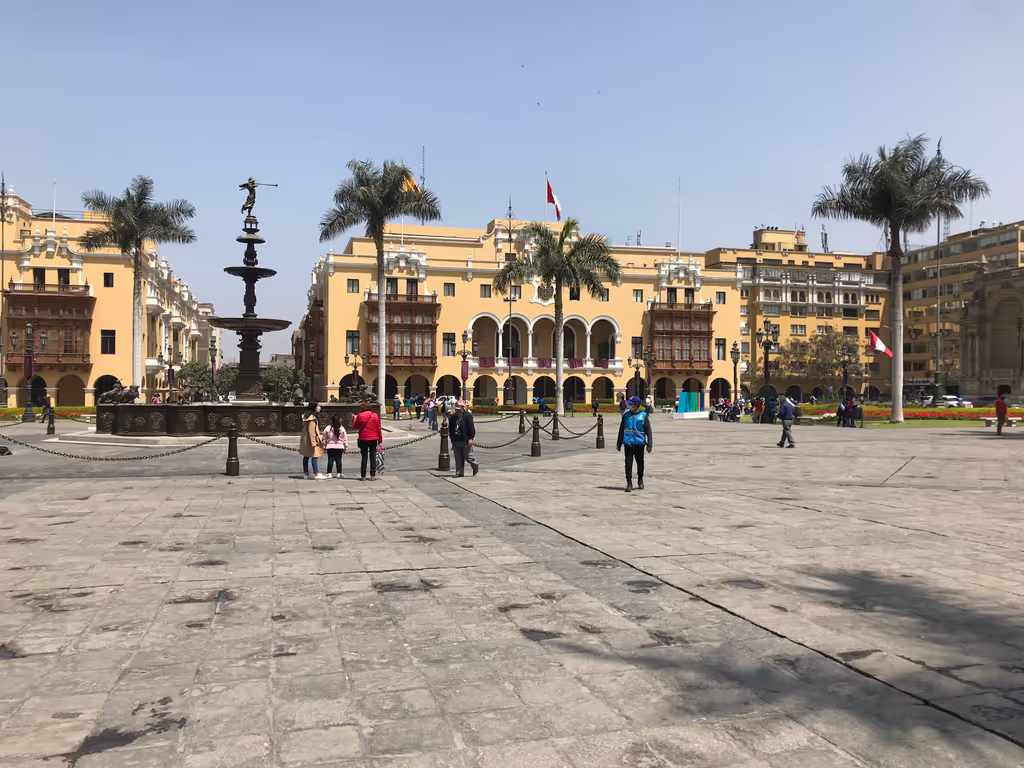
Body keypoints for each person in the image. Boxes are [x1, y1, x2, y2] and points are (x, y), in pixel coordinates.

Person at [616, 395, 652, 492]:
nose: (629, 405)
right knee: (628, 464)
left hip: (639, 444)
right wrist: (619, 443)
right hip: (628, 443)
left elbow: (648, 431)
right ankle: (629, 483)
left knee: (640, 463)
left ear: (636, 405)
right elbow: (621, 429)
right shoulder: (626, 415)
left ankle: (640, 480)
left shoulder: (643, 416)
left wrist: (649, 444)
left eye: (631, 404)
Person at [449, 400, 480, 477]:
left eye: (459, 407)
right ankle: (459, 472)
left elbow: (471, 428)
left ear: (463, 408)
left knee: (468, 456)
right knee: (458, 458)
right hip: (456, 439)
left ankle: (475, 465)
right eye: (456, 407)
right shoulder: (454, 416)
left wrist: (470, 438)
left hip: (465, 439)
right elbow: (451, 428)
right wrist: (452, 439)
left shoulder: (467, 416)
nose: (457, 409)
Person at [352, 402, 383, 481]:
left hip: (363, 438)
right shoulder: (375, 415)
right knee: (373, 457)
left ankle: (363, 475)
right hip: (373, 439)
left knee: (364, 457)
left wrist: (355, 418)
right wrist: (380, 439)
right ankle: (372, 475)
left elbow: (356, 426)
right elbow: (379, 428)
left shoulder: (360, 415)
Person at [300, 402, 327, 480]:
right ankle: (316, 473)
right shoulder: (312, 419)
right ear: (314, 408)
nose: (319, 408)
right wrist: (314, 443)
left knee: (306, 456)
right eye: (318, 406)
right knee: (314, 456)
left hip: (306, 439)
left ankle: (306, 473)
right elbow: (312, 431)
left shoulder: (306, 416)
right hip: (311, 440)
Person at [322, 413, 349, 478]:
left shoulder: (328, 428)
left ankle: (329, 473)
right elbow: (345, 438)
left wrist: (324, 446)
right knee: (338, 460)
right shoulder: (342, 428)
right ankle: (339, 473)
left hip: (330, 446)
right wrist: (345, 446)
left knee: (330, 460)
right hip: (339, 446)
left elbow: (324, 438)